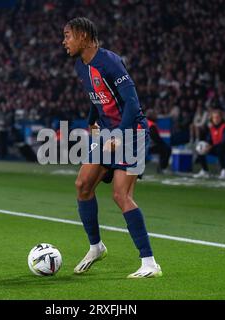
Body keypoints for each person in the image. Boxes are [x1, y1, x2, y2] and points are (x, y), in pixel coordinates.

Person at [63, 17, 162, 278]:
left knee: (121, 195)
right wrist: (91, 122)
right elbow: (97, 98)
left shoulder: (110, 62)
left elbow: (132, 102)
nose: (64, 42)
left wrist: (120, 133)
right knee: (83, 185)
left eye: (68, 36)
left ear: (83, 36)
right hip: (107, 134)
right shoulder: (80, 66)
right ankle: (96, 247)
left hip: (132, 132)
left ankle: (149, 262)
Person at [194, 109, 225, 179]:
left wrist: (211, 147)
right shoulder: (212, 128)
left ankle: (224, 171)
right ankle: (205, 170)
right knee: (200, 148)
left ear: (221, 118)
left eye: (217, 117)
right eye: (214, 117)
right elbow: (209, 140)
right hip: (216, 148)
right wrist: (207, 146)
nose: (216, 119)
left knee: (220, 148)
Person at [146, 109, 171, 173]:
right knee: (166, 148)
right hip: (147, 146)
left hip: (142, 145)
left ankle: (161, 167)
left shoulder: (145, 122)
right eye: (154, 115)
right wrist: (163, 143)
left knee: (163, 148)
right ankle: (162, 168)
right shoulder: (151, 124)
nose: (156, 116)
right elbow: (155, 138)